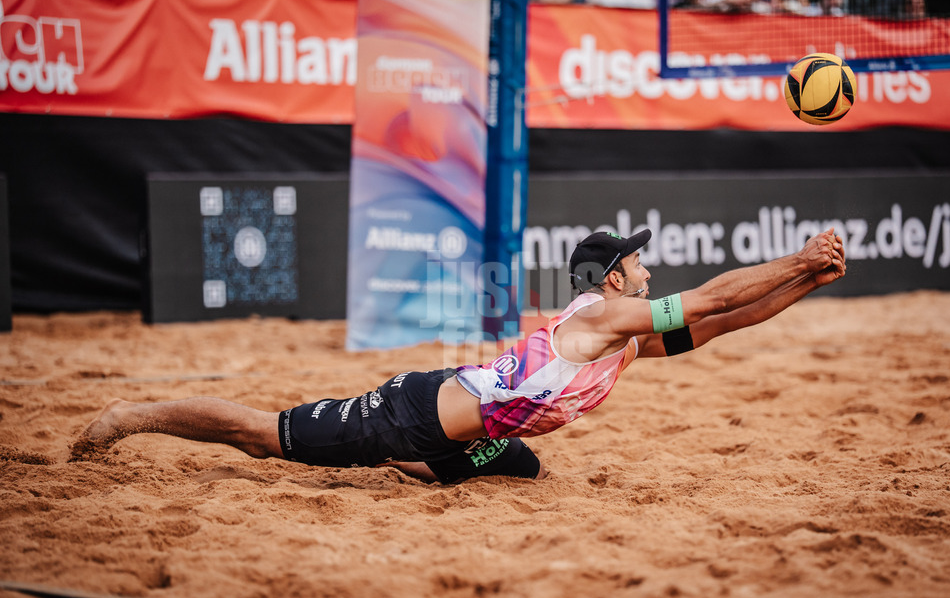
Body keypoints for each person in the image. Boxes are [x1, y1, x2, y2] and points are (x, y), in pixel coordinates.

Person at [71, 227, 846, 484]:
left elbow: (722, 323)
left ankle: (429, 469)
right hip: (410, 413)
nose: (649, 268)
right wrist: (797, 252)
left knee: (527, 467)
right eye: (638, 262)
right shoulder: (608, 316)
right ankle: (130, 415)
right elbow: (713, 297)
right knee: (265, 436)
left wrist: (810, 279)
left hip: (472, 430)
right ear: (613, 278)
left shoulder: (630, 340)